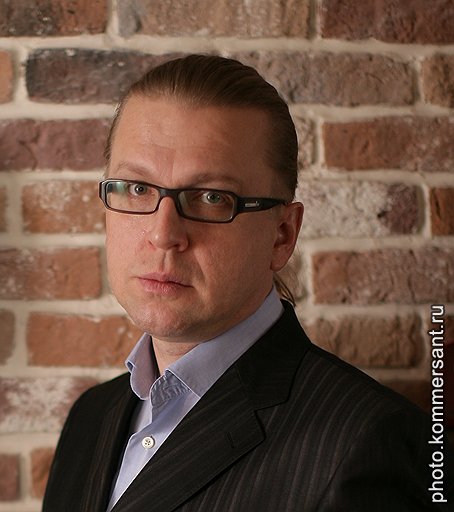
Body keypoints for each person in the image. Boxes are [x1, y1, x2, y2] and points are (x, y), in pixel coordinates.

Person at [43, 54, 453, 512]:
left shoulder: (370, 442)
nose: (163, 234)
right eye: (138, 188)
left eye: (211, 197)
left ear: (282, 235)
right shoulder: (90, 418)